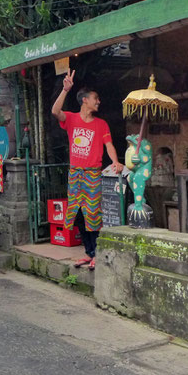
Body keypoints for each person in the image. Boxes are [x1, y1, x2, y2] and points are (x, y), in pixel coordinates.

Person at [51, 70, 123, 271]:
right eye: (95, 99)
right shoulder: (72, 119)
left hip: (92, 174)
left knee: (93, 214)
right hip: (75, 173)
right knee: (78, 213)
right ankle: (88, 252)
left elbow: (109, 145)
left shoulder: (101, 124)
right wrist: (65, 90)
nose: (98, 102)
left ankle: (96, 253)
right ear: (85, 100)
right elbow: (56, 111)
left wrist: (116, 162)